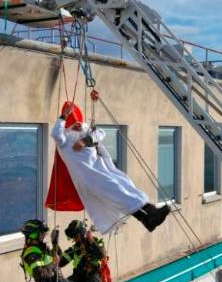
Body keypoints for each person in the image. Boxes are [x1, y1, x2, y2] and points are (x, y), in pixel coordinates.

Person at [49, 100, 169, 233]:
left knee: (125, 185)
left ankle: (147, 218)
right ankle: (149, 214)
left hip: (104, 170)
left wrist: (86, 140)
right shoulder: (64, 141)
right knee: (118, 192)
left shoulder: (84, 132)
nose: (79, 125)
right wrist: (64, 116)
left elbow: (100, 133)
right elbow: (56, 133)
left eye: (79, 122)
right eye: (74, 122)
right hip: (91, 178)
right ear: (67, 125)